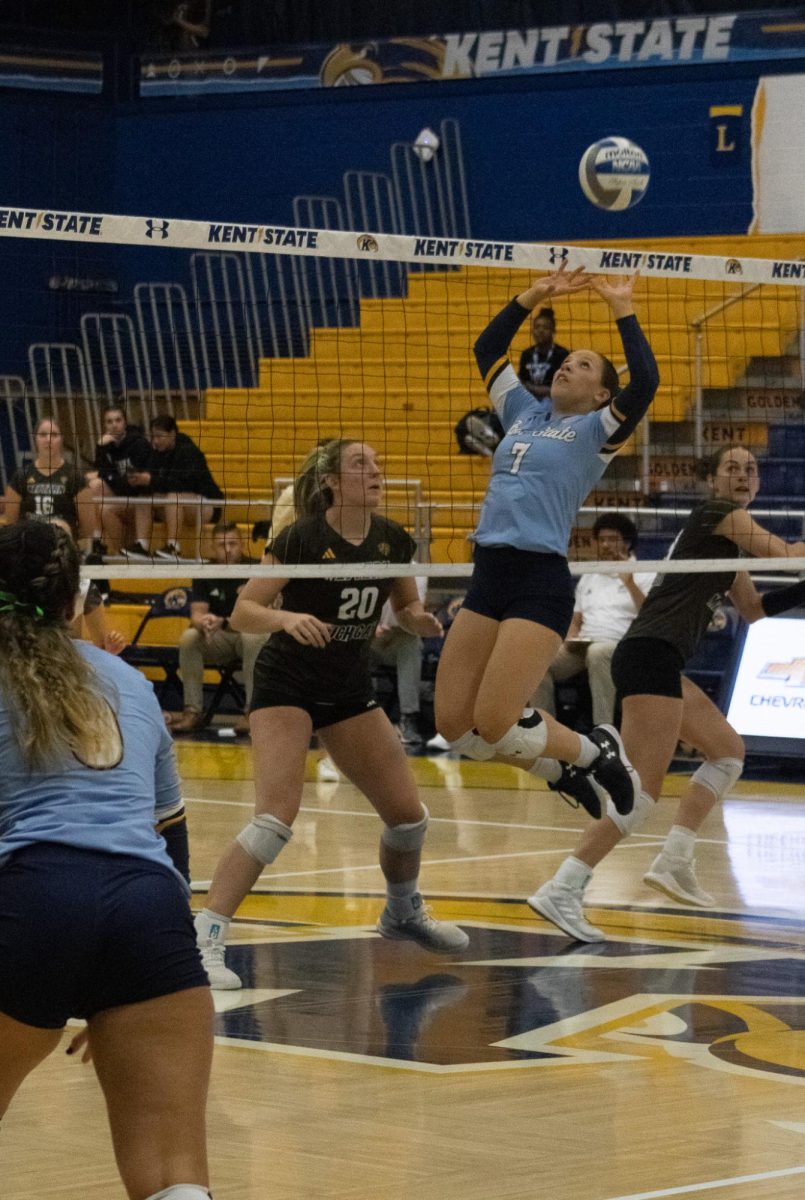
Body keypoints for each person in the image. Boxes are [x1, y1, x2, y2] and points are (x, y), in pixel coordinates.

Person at [194, 438, 469, 990]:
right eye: (360, 464)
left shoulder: (392, 540)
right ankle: (205, 937)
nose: (376, 469)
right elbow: (244, 610)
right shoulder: (301, 537)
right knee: (275, 818)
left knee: (409, 817)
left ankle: (401, 911)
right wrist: (285, 619)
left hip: (346, 687)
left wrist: (422, 622)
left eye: (376, 460)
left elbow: (407, 607)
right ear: (332, 482)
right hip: (287, 683)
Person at [0, 520, 213, 1200]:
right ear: (75, 599)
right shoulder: (126, 678)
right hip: (149, 911)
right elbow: (169, 833)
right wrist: (117, 983)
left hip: (32, 900)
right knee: (171, 1176)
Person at [529, 444, 805, 941]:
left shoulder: (725, 544)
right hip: (649, 653)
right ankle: (564, 886)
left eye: (751, 469)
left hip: (658, 658)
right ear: (712, 480)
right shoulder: (720, 514)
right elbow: (786, 556)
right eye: (732, 468)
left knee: (727, 752)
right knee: (640, 793)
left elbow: (757, 610)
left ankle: (675, 858)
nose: (743, 475)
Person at [434, 265, 659, 820]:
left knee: (494, 719)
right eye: (566, 359)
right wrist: (533, 295)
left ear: (602, 392)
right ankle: (557, 770)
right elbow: (487, 347)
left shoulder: (596, 432)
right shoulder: (522, 411)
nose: (566, 364)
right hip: (488, 573)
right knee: (453, 725)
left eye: (582, 364)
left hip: (538, 582)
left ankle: (595, 750)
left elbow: (647, 382)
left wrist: (621, 307)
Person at [533, 512, 654, 726]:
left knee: (598, 652)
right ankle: (545, 730)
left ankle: (603, 730)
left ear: (627, 542)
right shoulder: (589, 575)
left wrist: (630, 583)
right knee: (538, 660)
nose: (605, 545)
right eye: (601, 540)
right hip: (583, 644)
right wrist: (570, 637)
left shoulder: (646, 573)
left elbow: (651, 616)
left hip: (622, 646)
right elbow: (576, 619)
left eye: (612, 539)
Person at [171, 521, 268, 735]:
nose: (227, 549)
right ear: (212, 547)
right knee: (189, 638)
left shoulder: (255, 570)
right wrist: (203, 622)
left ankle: (252, 713)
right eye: (221, 545)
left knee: (253, 638)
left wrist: (224, 621)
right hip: (220, 638)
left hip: (249, 637)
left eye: (232, 543)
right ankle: (193, 712)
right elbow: (197, 612)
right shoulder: (206, 571)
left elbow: (259, 615)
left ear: (241, 544)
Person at [123, 415, 223, 562]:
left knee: (173, 497)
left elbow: (182, 485)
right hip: (176, 506)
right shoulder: (156, 452)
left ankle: (173, 546)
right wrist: (139, 480)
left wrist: (151, 480)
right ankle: (142, 545)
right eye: (153, 437)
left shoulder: (188, 451)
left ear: (172, 434)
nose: (155, 441)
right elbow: (155, 481)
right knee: (144, 499)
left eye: (159, 436)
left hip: (206, 506)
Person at [3, 417, 95, 551]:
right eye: (43, 435)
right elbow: (11, 525)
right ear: (35, 439)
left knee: (60, 526)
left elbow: (88, 531)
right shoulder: (21, 477)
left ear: (62, 439)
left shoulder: (75, 477)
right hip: (29, 549)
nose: (48, 439)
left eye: (54, 435)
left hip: (61, 549)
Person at [86, 402, 152, 558]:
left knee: (103, 497)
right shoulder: (106, 445)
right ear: (104, 425)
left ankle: (131, 548)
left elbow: (132, 483)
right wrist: (100, 448)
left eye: (118, 420)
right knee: (95, 486)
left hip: (141, 501)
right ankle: (99, 541)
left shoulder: (139, 444)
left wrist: (109, 477)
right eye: (109, 421)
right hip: (122, 496)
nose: (114, 425)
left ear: (125, 423)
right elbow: (102, 471)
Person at [370, 576, 428, 746]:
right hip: (366, 636)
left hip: (399, 636)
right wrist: (372, 627)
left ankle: (408, 719)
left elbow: (414, 613)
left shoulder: (418, 573)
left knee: (412, 642)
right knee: (351, 644)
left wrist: (421, 623)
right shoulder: (363, 563)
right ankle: (357, 716)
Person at [517, 306, 570, 399]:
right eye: (537, 327)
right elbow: (522, 382)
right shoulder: (526, 354)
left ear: (553, 330)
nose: (540, 331)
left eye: (545, 327)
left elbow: (565, 386)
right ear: (532, 331)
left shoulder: (562, 354)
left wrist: (546, 390)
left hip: (553, 400)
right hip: (529, 399)